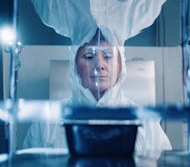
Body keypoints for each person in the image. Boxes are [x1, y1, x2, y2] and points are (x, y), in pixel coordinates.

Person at [23, 28, 172, 157]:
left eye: (108, 56)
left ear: (121, 65)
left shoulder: (146, 122)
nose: (100, 65)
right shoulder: (46, 122)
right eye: (89, 57)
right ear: (75, 65)